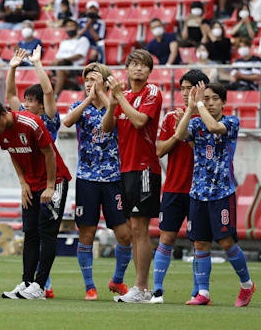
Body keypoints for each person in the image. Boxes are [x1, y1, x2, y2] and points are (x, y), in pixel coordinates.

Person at [0, 98, 70, 300]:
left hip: (54, 182)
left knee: (47, 233)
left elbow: (50, 153)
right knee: (30, 233)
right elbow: (13, 153)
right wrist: (22, 182)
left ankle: (40, 286)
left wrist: (51, 186)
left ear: (3, 115)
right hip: (31, 185)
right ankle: (27, 282)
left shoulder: (31, 123)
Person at [174, 81, 255, 307]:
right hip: (198, 193)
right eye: (206, 98)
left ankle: (247, 285)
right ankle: (203, 293)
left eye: (214, 99)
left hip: (222, 192)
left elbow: (214, 128)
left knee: (227, 241)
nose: (209, 103)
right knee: (200, 244)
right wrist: (190, 108)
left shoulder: (231, 122)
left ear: (224, 102)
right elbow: (180, 135)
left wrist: (198, 103)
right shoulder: (196, 121)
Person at [60, 63, 133, 301]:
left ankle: (117, 280)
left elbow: (108, 125)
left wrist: (104, 97)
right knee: (87, 233)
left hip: (113, 179)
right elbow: (67, 121)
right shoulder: (81, 107)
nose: (90, 84)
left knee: (124, 234)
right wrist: (88, 99)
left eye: (95, 79)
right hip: (87, 179)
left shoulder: (117, 105)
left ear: (105, 81)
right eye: (87, 80)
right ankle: (89, 286)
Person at [101, 49, 163, 303]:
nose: (139, 69)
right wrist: (113, 103)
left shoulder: (152, 92)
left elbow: (139, 121)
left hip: (145, 167)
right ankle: (141, 288)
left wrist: (118, 97)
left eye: (144, 65)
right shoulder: (122, 95)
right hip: (125, 168)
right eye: (134, 64)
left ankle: (141, 287)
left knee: (140, 228)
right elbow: (107, 128)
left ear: (149, 71)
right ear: (127, 69)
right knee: (133, 228)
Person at [150, 69, 210, 304]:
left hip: (199, 189)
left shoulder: (208, 118)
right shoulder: (171, 117)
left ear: (201, 89)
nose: (185, 93)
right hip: (174, 187)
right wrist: (178, 133)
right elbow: (159, 150)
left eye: (190, 88)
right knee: (167, 237)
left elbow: (207, 154)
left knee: (199, 241)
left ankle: (199, 292)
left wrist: (188, 131)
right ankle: (157, 291)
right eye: (183, 88)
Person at [6, 47, 60, 140]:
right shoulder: (23, 113)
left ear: (42, 104)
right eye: (25, 100)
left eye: (30, 101)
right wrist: (12, 68)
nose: (26, 104)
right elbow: (11, 95)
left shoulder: (49, 117)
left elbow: (48, 91)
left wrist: (37, 63)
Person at [52, 19, 90, 95]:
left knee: (60, 70)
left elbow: (79, 55)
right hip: (62, 65)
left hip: (77, 67)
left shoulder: (83, 40)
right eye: (67, 26)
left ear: (77, 28)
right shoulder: (64, 42)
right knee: (46, 70)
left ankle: (55, 97)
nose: (69, 28)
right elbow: (58, 57)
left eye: (71, 26)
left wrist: (64, 59)